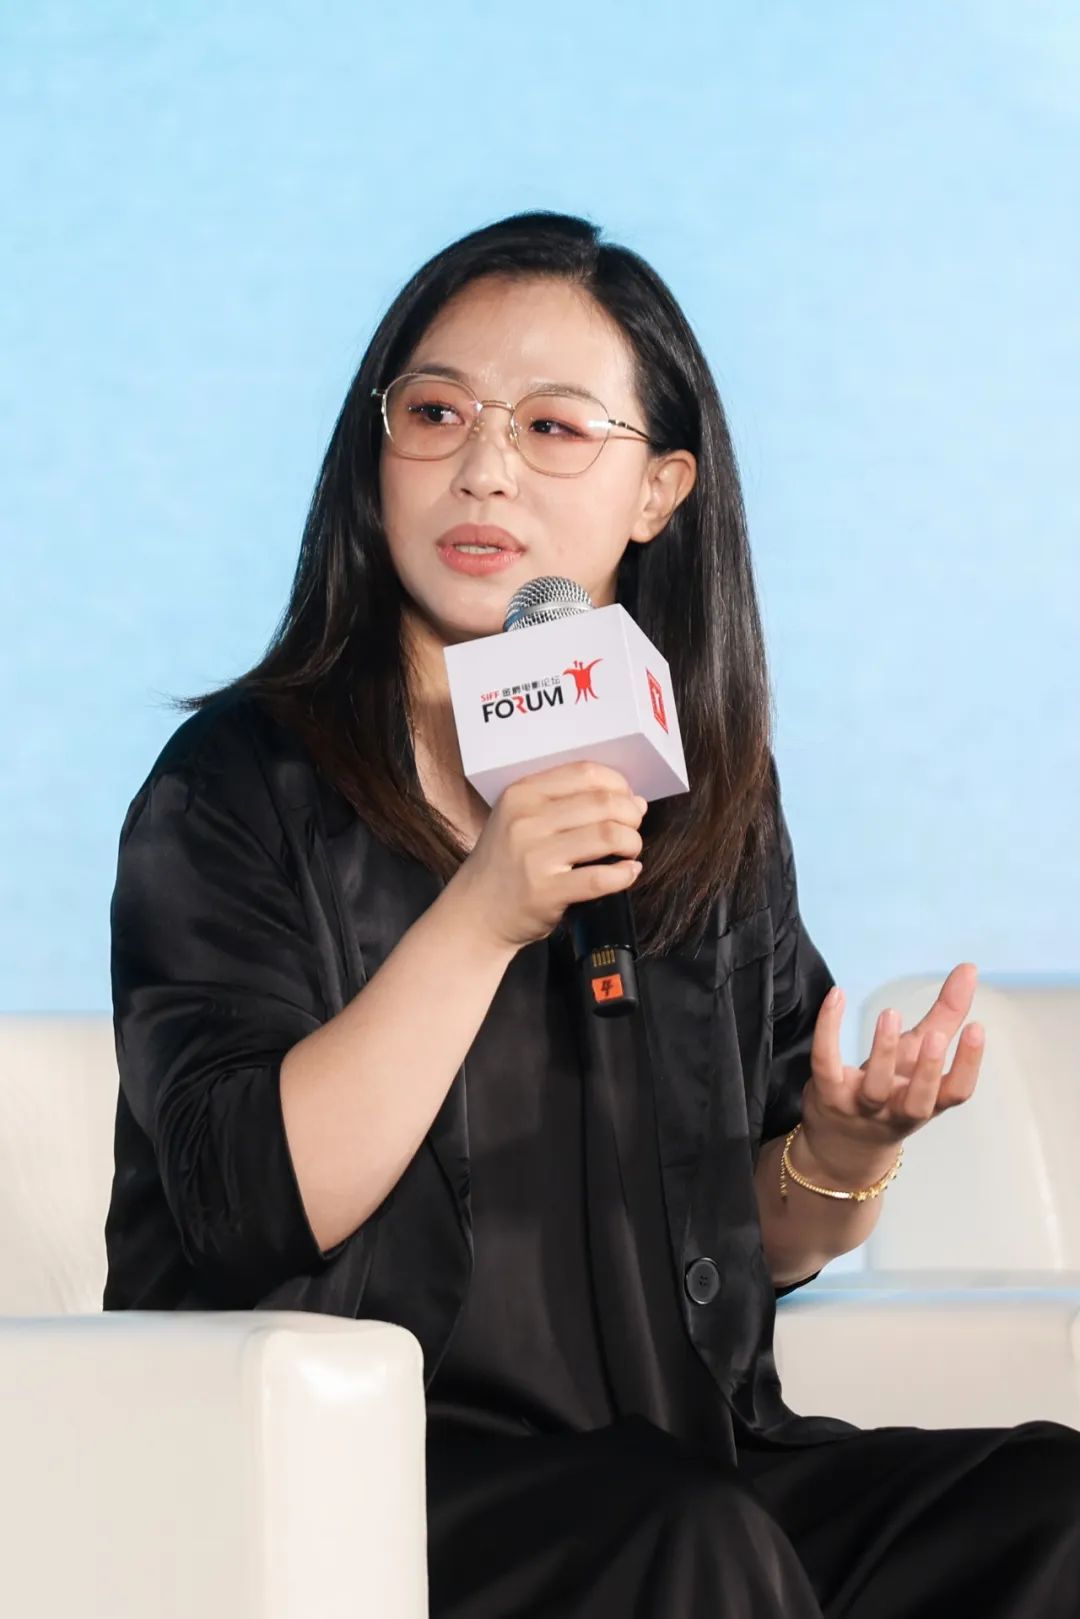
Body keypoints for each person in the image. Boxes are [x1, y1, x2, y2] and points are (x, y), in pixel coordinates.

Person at [104, 210, 1080, 1617]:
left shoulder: (699, 792)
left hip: (682, 1464)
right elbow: (245, 1209)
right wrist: (482, 915)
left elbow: (762, 1240)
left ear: (658, 492)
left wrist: (844, 1149)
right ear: (376, 450)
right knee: (690, 1541)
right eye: (435, 413)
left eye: (554, 428)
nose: (483, 466)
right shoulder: (238, 785)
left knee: (1047, 1509)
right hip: (358, 1493)